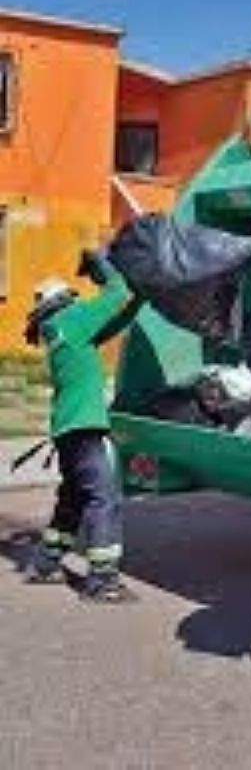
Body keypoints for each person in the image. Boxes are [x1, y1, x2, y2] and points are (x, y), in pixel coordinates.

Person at [23, 250, 141, 604]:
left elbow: (113, 319)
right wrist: (101, 266)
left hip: (67, 429)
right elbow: (116, 294)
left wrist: (141, 300)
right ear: (64, 302)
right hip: (86, 427)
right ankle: (102, 580)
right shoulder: (72, 321)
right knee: (103, 498)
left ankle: (45, 563)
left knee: (74, 497)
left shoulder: (61, 331)